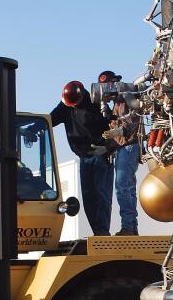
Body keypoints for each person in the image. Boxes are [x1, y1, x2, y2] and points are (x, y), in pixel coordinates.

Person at [51, 80, 114, 236]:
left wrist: (107, 147)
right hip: (84, 157)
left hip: (100, 154)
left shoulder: (95, 104)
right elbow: (51, 119)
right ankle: (97, 232)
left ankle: (103, 232)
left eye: (74, 104)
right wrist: (33, 127)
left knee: (101, 194)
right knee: (88, 196)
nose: (72, 107)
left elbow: (113, 127)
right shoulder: (65, 106)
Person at [98, 70, 141, 236]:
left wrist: (112, 135)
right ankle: (131, 226)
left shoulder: (126, 97)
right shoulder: (117, 102)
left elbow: (129, 126)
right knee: (128, 188)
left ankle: (128, 227)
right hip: (126, 147)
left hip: (129, 146)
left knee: (122, 187)